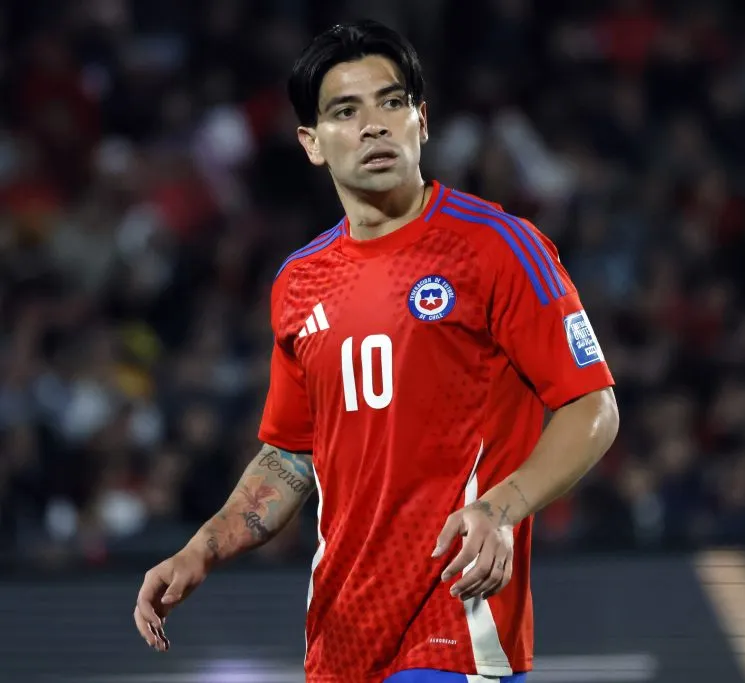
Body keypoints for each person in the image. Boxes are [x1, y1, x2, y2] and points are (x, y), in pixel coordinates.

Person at [132, 19, 619, 683]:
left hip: (456, 624)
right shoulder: (299, 282)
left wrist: (501, 507)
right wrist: (202, 549)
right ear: (311, 143)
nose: (373, 126)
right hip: (341, 640)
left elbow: (592, 404)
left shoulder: (498, 247)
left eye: (392, 103)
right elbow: (291, 455)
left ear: (422, 121)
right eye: (345, 111)